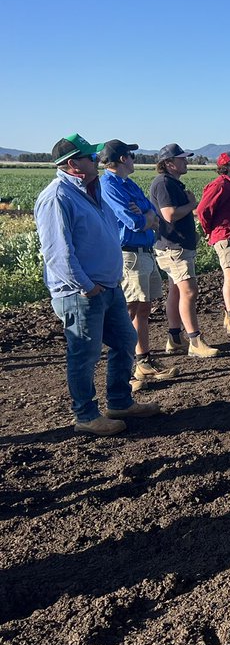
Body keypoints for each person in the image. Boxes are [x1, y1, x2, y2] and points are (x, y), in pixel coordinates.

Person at [35, 134, 159, 435]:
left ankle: (119, 401)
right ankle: (86, 415)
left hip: (108, 286)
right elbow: (58, 252)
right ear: (72, 164)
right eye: (90, 157)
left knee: (124, 341)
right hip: (82, 291)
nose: (96, 160)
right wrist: (85, 285)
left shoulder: (94, 190)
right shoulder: (57, 197)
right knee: (84, 354)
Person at [98, 139, 177, 385]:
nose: (134, 159)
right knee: (132, 308)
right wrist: (147, 216)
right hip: (129, 253)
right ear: (123, 158)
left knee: (144, 307)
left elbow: (149, 210)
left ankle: (143, 360)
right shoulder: (109, 185)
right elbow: (134, 221)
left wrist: (146, 214)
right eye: (131, 155)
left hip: (144, 251)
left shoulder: (126, 183)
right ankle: (131, 368)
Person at [150, 143, 219, 357]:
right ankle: (195, 341)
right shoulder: (164, 184)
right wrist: (192, 204)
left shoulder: (171, 183)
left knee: (177, 291)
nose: (186, 161)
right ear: (169, 163)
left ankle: (175, 338)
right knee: (189, 291)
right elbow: (169, 214)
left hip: (175, 246)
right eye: (182, 159)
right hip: (174, 248)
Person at [196, 152, 230, 336]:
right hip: (226, 236)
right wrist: (209, 231)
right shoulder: (220, 185)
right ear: (229, 166)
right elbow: (203, 210)